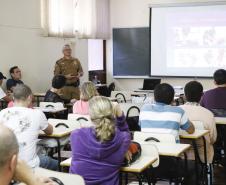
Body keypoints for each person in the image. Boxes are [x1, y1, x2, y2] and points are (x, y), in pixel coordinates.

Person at [70, 96, 131, 185]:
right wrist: (119, 114)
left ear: (90, 115)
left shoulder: (76, 135)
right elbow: (125, 133)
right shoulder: (123, 138)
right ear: (111, 114)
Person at [0, 84, 58, 170]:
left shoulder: (2, 113)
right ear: (30, 97)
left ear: (13, 98)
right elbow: (50, 131)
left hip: (7, 165)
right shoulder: (37, 113)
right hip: (29, 165)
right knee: (57, 163)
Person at [180, 81, 217, 164]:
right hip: (202, 156)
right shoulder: (208, 114)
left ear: (184, 95)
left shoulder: (176, 111)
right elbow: (212, 139)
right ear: (201, 95)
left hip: (180, 154)